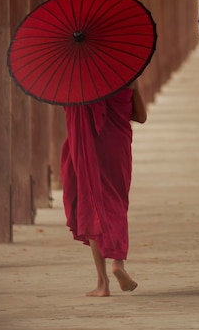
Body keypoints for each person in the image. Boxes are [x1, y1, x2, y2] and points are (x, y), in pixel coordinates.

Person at [61, 79, 147, 297]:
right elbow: (141, 116)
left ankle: (102, 283)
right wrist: (132, 88)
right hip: (117, 145)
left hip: (86, 145)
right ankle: (118, 263)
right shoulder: (125, 74)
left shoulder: (75, 80)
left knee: (91, 201)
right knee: (117, 201)